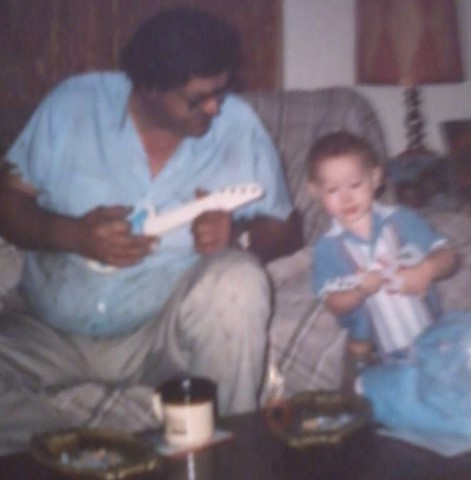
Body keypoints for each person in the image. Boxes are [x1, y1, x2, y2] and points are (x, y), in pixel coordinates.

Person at [0, 6, 301, 452]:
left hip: (161, 334)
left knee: (238, 278)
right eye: (197, 98)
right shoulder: (73, 106)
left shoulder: (237, 126)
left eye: (220, 91)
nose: (215, 107)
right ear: (148, 88)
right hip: (49, 328)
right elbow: (8, 204)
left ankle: (230, 455)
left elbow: (288, 227)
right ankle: (68, 454)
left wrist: (239, 239)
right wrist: (75, 235)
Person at [306, 131, 458, 357]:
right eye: (332, 190)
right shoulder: (327, 248)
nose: (346, 198)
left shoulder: (402, 220)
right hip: (378, 354)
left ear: (375, 178)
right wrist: (359, 291)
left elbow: (448, 257)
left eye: (355, 185)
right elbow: (333, 302)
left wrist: (425, 270)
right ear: (315, 192)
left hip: (433, 335)